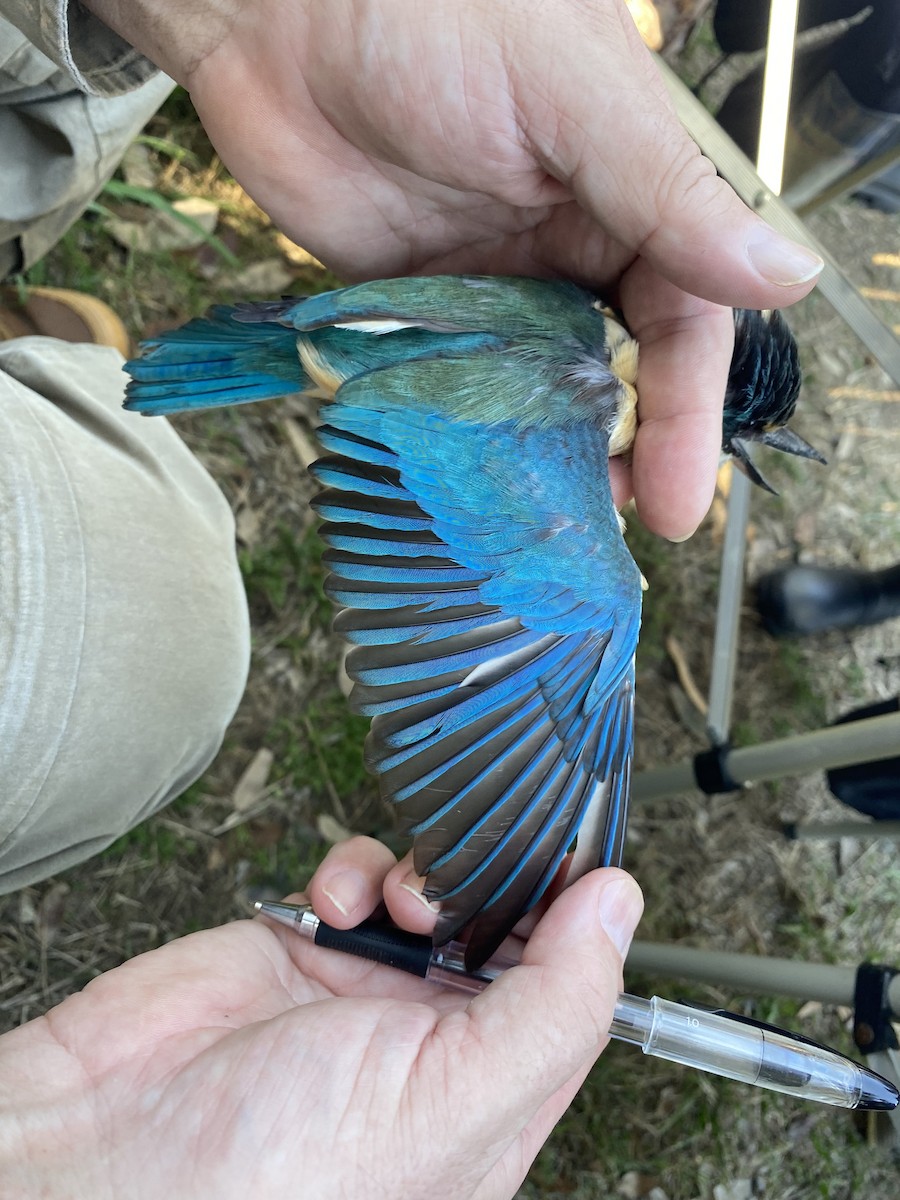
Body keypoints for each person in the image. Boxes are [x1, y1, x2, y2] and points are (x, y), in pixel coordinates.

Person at [0, 2, 824, 1195]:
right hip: (333, 353)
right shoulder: (581, 430)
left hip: (337, 333)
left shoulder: (566, 308)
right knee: (596, 616)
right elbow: (546, 697)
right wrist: (536, 871)